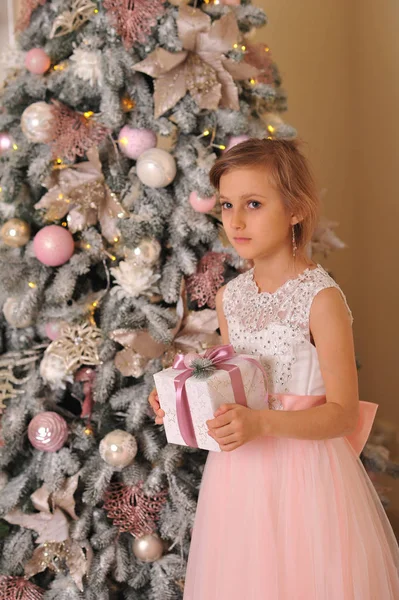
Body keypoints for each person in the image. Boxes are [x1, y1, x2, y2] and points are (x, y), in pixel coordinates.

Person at [149, 138, 399, 599]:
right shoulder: (231, 297)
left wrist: (263, 421)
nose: (236, 221)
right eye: (227, 204)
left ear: (296, 209)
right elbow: (232, 383)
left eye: (254, 204)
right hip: (240, 475)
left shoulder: (321, 300)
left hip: (306, 475)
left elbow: (343, 414)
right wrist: (182, 401)